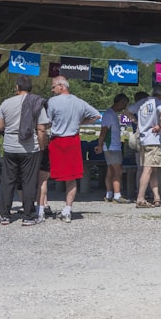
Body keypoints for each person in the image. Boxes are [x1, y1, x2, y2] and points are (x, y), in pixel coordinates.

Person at [0, 75, 50, 226]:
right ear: (31, 89)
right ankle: (28, 216)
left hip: (10, 147)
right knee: (29, 182)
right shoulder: (36, 103)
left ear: (17, 88)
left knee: (8, 181)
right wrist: (42, 146)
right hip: (30, 148)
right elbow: (41, 129)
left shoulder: (6, 103)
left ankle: (5, 215)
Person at [46, 75, 101, 223]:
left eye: (53, 87)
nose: (52, 90)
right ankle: (67, 209)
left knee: (44, 174)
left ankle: (42, 207)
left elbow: (48, 121)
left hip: (57, 141)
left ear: (61, 86)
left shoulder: (52, 102)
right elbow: (97, 115)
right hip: (73, 141)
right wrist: (80, 122)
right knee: (71, 178)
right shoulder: (79, 102)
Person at [129, 86, 161, 208]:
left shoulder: (142, 102)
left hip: (143, 139)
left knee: (153, 169)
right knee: (148, 169)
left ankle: (157, 197)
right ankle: (140, 198)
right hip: (153, 139)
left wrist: (136, 121)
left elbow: (127, 111)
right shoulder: (158, 103)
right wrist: (160, 125)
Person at [95, 93, 131, 204]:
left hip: (112, 146)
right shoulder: (109, 115)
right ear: (118, 102)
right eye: (123, 103)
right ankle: (117, 195)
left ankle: (109, 193)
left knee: (110, 170)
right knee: (118, 170)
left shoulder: (112, 114)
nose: (124, 106)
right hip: (112, 146)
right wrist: (100, 144)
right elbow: (104, 131)